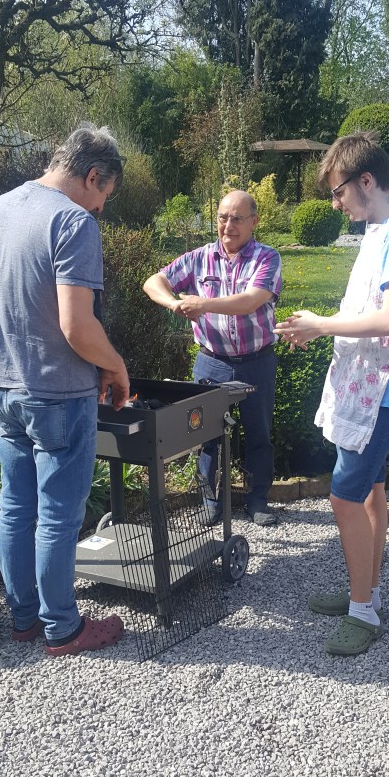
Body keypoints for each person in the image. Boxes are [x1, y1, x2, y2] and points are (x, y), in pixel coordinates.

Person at [0, 123, 130, 656]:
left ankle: (24, 619)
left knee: (16, 505)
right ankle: (63, 627)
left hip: (1, 385)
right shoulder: (73, 221)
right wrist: (115, 365)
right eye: (104, 196)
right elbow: (77, 326)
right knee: (59, 512)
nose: (100, 209)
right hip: (57, 392)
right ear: (93, 176)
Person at [275, 131, 389, 656]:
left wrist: (322, 325)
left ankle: (363, 612)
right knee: (370, 493)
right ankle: (366, 592)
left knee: (344, 496)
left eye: (338, 191)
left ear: (366, 180)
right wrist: (317, 326)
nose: (335, 203)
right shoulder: (379, 228)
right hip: (365, 387)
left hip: (381, 394)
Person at [143, 190, 282, 527]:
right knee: (204, 434)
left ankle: (258, 500)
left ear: (253, 222)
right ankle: (209, 501)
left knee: (259, 433)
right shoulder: (198, 258)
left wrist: (201, 303)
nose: (228, 225)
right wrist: (175, 304)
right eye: (222, 217)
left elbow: (250, 301)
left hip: (257, 361)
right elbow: (153, 282)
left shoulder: (267, 258)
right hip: (212, 361)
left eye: (237, 218)